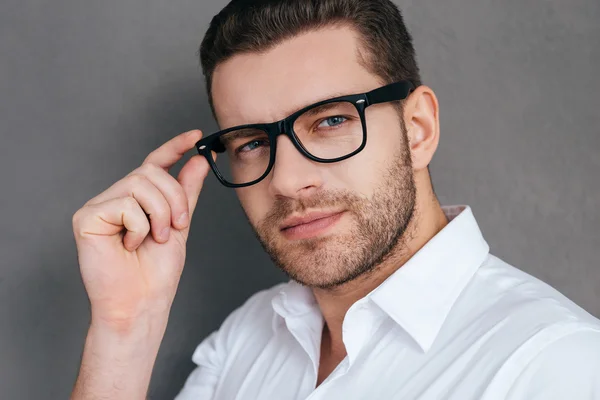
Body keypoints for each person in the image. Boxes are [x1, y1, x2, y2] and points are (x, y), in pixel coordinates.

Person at [70, 1, 600, 399]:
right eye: (252, 143)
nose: (287, 181)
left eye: (330, 121)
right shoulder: (246, 337)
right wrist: (125, 330)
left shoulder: (556, 364)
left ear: (417, 129)